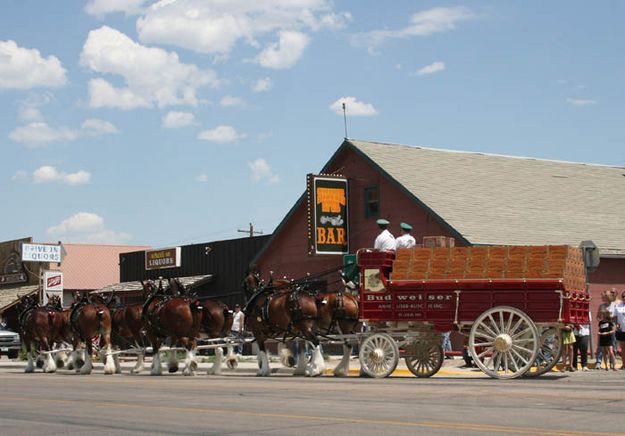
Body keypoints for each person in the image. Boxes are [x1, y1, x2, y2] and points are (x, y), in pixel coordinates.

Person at [614, 290, 625, 369]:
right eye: (623, 297)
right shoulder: (618, 306)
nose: (624, 298)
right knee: (623, 349)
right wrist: (616, 324)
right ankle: (624, 365)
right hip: (621, 330)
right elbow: (615, 318)